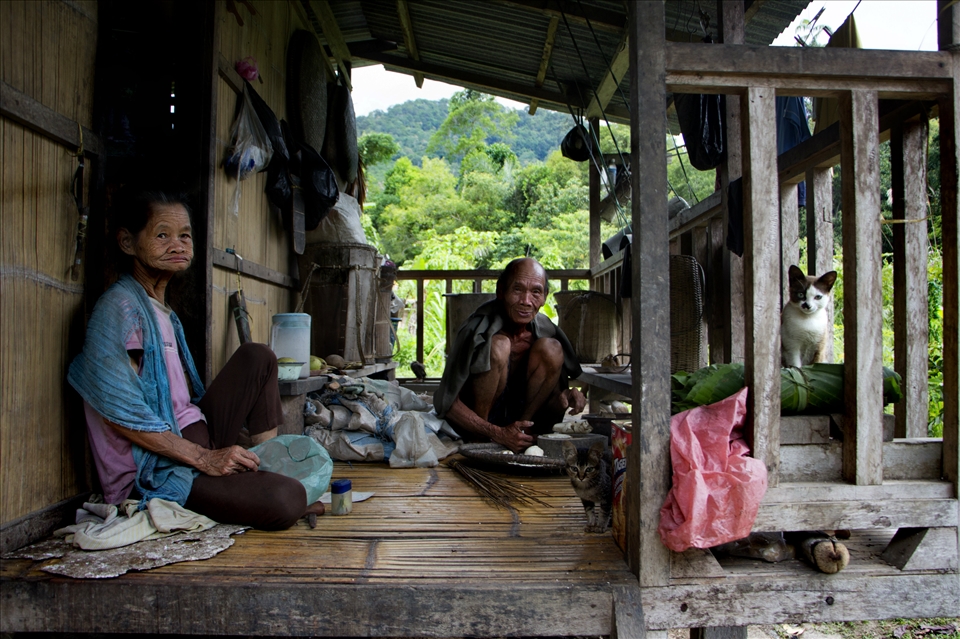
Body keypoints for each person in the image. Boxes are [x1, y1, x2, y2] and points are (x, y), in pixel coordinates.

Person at [68, 190, 323, 530]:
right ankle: (258, 485)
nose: (178, 245)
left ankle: (264, 465)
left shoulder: (164, 312)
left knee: (257, 356)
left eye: (184, 235)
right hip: (161, 467)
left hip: (198, 437)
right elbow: (120, 415)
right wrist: (204, 458)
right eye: (162, 235)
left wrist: (216, 451)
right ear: (128, 243)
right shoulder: (120, 309)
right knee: (286, 499)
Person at [434, 258, 586, 452]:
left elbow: (551, 402)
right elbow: (447, 402)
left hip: (523, 419)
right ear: (501, 291)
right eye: (517, 290)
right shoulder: (476, 330)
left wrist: (565, 396)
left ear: (545, 296)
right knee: (499, 346)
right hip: (480, 427)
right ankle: (481, 441)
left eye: (536, 292)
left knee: (552, 348)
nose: (526, 301)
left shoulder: (547, 330)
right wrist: (496, 433)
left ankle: (522, 433)